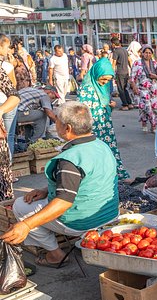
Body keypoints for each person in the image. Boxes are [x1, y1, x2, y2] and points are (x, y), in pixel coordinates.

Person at [0, 102, 120, 267]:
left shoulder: (71, 159)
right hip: (110, 214)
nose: (54, 124)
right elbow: (90, 181)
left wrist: (26, 225)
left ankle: (55, 254)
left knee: (21, 206)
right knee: (35, 204)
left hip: (80, 222)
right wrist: (45, 190)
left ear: (67, 128)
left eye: (56, 121)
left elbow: (63, 202)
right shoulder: (102, 145)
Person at [77, 58, 130, 180]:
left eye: (108, 80)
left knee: (110, 151)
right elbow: (81, 111)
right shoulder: (86, 89)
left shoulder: (104, 87)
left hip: (105, 126)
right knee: (94, 153)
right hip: (91, 128)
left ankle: (116, 175)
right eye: (103, 79)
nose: (105, 82)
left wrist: (110, 106)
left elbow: (103, 105)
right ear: (96, 74)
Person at [0, 34, 19, 198]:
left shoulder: (3, 67)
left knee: (9, 137)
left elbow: (13, 93)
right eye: (6, 46)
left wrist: (0, 110)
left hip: (4, 107)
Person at [130, 45, 157, 133]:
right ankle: (151, 124)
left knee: (155, 108)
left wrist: (155, 76)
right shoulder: (137, 63)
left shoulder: (154, 63)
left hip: (154, 89)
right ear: (142, 53)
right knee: (147, 107)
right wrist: (134, 87)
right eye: (146, 53)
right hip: (142, 89)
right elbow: (132, 77)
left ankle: (150, 124)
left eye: (149, 53)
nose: (148, 55)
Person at [110, 37, 133, 110]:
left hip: (120, 72)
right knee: (125, 88)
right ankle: (129, 103)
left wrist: (111, 72)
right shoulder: (125, 50)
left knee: (120, 89)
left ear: (113, 44)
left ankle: (125, 105)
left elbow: (114, 63)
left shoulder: (116, 51)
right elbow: (130, 60)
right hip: (126, 71)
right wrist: (131, 69)